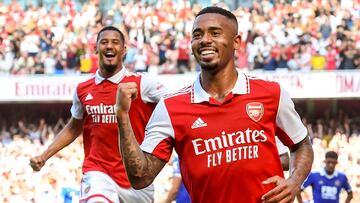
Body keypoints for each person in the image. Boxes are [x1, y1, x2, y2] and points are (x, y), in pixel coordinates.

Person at [116, 6, 314, 203]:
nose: (205, 40)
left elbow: (301, 144)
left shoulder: (271, 93)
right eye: (197, 34)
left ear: (236, 42)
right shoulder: (171, 108)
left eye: (215, 33)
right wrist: (122, 116)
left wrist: (295, 181)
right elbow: (140, 177)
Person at [29, 26, 168, 203]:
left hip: (136, 178)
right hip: (98, 172)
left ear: (124, 50)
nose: (109, 46)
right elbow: (73, 127)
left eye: (115, 42)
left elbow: (175, 104)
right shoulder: (83, 89)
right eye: (104, 42)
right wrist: (45, 155)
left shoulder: (142, 83)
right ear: (95, 48)